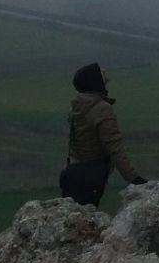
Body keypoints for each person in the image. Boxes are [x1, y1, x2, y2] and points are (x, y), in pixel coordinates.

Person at [59, 61, 147, 206]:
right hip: (93, 175)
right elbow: (115, 147)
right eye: (100, 73)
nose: (105, 74)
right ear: (94, 81)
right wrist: (134, 178)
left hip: (74, 172)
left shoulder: (77, 108)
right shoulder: (102, 109)